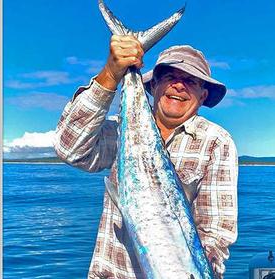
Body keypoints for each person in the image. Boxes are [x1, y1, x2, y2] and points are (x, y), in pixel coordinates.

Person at [54, 35, 238, 278]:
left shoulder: (215, 141)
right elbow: (70, 148)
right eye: (170, 77)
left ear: (203, 96)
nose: (179, 86)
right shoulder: (121, 129)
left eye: (190, 81)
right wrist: (111, 73)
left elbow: (215, 232)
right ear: (153, 87)